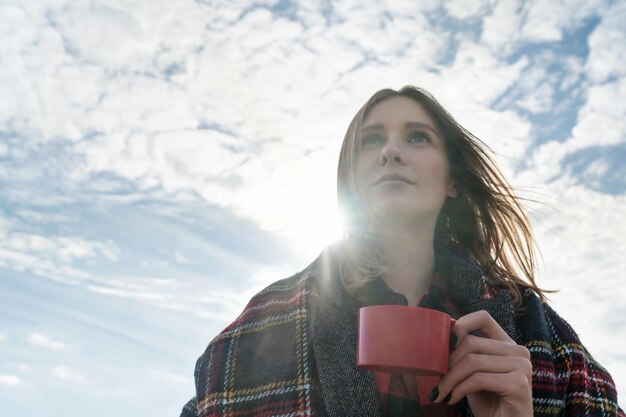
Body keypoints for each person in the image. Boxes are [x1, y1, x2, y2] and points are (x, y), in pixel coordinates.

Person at [181, 86, 624, 417]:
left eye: (417, 138)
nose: (391, 151)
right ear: (349, 180)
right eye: (372, 140)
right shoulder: (250, 337)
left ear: (453, 181)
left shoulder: (546, 339)